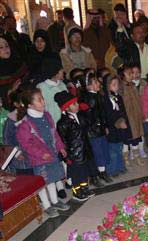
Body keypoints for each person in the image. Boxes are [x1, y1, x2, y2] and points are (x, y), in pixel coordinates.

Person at [16, 89, 70, 218]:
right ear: (30, 105)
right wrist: (41, 154)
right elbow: (26, 144)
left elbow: (54, 133)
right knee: (42, 183)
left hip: (51, 154)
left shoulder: (47, 115)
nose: (43, 101)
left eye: (42, 98)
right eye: (39, 99)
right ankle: (46, 205)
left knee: (53, 179)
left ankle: (55, 201)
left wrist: (60, 146)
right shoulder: (25, 124)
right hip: (39, 159)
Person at [55, 91, 99, 201]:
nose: (77, 105)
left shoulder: (80, 116)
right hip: (73, 153)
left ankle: (84, 188)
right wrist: (66, 156)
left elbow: (89, 124)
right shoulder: (63, 123)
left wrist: (88, 111)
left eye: (77, 103)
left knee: (84, 172)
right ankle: (77, 191)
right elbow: (62, 140)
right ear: (66, 108)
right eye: (74, 104)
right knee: (76, 174)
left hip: (84, 150)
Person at [80, 72, 113, 184]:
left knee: (103, 151)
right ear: (88, 86)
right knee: (97, 153)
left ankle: (103, 172)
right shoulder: (89, 99)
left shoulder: (98, 96)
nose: (98, 83)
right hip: (93, 132)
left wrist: (105, 126)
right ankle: (98, 174)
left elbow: (102, 114)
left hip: (100, 129)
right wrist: (98, 125)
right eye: (95, 82)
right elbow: (90, 117)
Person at [103, 74, 132, 176]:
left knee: (120, 148)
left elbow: (122, 111)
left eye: (117, 84)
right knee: (113, 151)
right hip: (112, 129)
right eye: (113, 84)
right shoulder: (106, 99)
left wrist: (124, 120)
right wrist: (118, 122)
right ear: (107, 86)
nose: (116, 86)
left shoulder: (118, 97)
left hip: (120, 128)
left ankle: (120, 166)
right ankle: (112, 169)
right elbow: (108, 114)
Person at [120, 64, 146, 165]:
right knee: (127, 139)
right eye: (129, 74)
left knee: (136, 137)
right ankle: (126, 158)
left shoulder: (133, 86)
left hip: (136, 116)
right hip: (127, 118)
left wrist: (141, 114)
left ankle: (137, 156)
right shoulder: (121, 88)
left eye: (132, 73)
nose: (131, 75)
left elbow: (138, 101)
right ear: (122, 75)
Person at [3, 91, 32, 175]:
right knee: (27, 179)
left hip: (34, 154)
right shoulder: (11, 120)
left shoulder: (30, 114)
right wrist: (16, 153)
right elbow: (7, 140)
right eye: (22, 101)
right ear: (16, 104)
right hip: (21, 158)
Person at [36, 56, 67, 123]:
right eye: (61, 69)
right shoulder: (41, 87)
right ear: (55, 72)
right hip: (52, 123)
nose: (63, 71)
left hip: (66, 122)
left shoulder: (62, 85)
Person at [0, 36, 27, 108]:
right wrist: (11, 90)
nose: (6, 49)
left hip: (24, 104)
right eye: (1, 47)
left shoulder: (18, 64)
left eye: (7, 46)